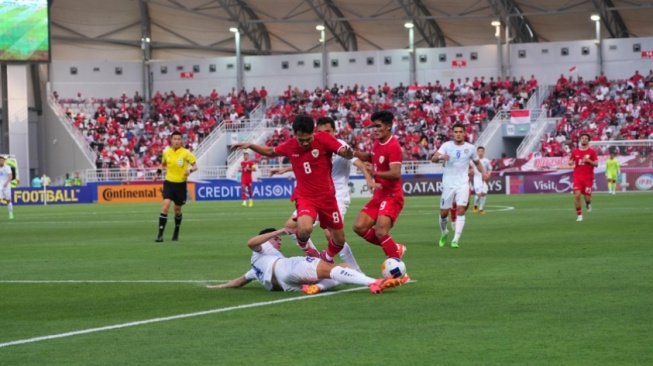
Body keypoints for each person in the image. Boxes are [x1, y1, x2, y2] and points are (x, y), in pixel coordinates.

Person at [231, 115, 354, 264]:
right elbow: (270, 152)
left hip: (327, 197)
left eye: (308, 139)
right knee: (304, 229)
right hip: (305, 197)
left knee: (339, 240)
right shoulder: (290, 145)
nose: (305, 143)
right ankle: (307, 248)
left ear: (313, 132)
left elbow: (341, 150)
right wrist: (251, 145)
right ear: (295, 134)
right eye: (301, 140)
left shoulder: (323, 138)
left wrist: (347, 153)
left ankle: (325, 257)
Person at [270, 116, 375, 271]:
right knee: (291, 226)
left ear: (334, 131)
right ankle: (315, 257)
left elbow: (358, 162)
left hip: (337, 195)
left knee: (330, 234)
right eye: (321, 131)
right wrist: (285, 169)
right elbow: (306, 164)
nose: (324, 133)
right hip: (314, 194)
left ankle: (354, 270)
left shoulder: (340, 146)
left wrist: (369, 179)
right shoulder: (315, 143)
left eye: (328, 131)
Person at [206, 227, 405, 294]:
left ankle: (319, 288)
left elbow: (240, 281)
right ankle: (373, 282)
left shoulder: (257, 266)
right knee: (330, 269)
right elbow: (251, 242)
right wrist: (278, 232)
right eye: (277, 240)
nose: (279, 242)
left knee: (341, 268)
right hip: (285, 269)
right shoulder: (263, 249)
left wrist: (219, 287)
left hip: (286, 285)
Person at [352, 111, 407, 259]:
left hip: (392, 196)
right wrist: (354, 153)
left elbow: (395, 173)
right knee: (359, 227)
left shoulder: (393, 146)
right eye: (373, 126)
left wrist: (375, 173)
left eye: (378, 126)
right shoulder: (378, 142)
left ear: (388, 126)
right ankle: (394, 248)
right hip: (379, 195)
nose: (374, 130)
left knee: (380, 232)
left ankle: (396, 268)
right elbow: (371, 156)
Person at [431, 123, 488, 248]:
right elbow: (433, 159)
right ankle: (444, 233)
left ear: (464, 133)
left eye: (460, 132)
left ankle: (455, 240)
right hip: (448, 184)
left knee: (461, 210)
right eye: (456, 132)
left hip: (463, 184)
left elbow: (477, 162)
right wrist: (441, 156)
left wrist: (483, 173)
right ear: (453, 133)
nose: (458, 134)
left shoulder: (471, 148)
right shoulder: (446, 146)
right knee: (443, 213)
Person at [153, 131, 198, 242]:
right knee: (165, 206)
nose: (176, 141)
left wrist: (190, 171)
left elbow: (195, 166)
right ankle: (160, 234)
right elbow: (163, 164)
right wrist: (157, 174)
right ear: (171, 140)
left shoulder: (186, 153)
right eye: (175, 139)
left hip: (180, 184)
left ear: (181, 140)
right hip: (169, 183)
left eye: (178, 139)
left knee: (177, 210)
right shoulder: (166, 152)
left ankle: (176, 230)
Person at [567, 133, 598, 221]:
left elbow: (596, 164)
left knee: (588, 199)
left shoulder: (592, 152)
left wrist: (588, 160)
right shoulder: (575, 151)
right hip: (577, 176)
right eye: (582, 138)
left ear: (588, 141)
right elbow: (571, 160)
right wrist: (570, 162)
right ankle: (579, 215)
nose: (584, 139)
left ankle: (587, 203)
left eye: (586, 138)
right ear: (580, 140)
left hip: (588, 178)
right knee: (577, 195)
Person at [472, 146, 492, 214]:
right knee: (479, 194)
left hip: (484, 179)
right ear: (477, 152)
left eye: (482, 151)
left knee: (483, 194)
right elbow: (469, 167)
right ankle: (475, 206)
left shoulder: (486, 160)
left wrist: (488, 174)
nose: (480, 153)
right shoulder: (474, 160)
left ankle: (480, 209)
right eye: (479, 151)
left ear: (484, 152)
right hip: (477, 179)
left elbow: (490, 168)